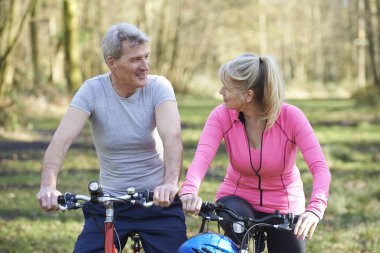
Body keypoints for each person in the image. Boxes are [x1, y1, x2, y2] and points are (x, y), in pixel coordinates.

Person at [37, 22, 187, 253]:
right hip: (110, 204)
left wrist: (169, 184)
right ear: (111, 62)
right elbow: (61, 140)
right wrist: (48, 185)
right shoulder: (92, 90)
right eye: (136, 59)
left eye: (146, 56)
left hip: (157, 201)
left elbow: (172, 136)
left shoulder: (159, 87)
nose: (145, 65)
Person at [180, 53, 331, 253]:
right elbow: (202, 157)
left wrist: (315, 209)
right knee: (235, 223)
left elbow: (320, 167)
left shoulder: (291, 117)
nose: (220, 91)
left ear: (248, 95)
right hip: (236, 198)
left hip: (284, 203)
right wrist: (190, 190)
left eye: (227, 87)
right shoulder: (221, 115)